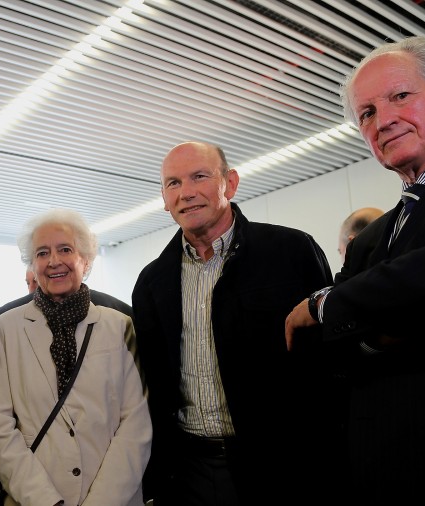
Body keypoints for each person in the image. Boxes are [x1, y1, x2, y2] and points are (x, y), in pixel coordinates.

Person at [285, 36, 425, 504]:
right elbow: (330, 351)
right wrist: (409, 309)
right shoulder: (368, 241)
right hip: (375, 468)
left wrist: (329, 303)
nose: (383, 121)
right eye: (366, 113)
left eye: (400, 96)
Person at [132, 141, 334, 505]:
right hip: (191, 472)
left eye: (199, 177)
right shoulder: (152, 282)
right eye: (173, 183)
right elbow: (156, 385)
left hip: (283, 466)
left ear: (231, 183)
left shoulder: (291, 252)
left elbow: (329, 360)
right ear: (163, 199)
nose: (187, 193)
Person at [0, 208, 151, 506]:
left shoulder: (120, 325)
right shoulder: (5, 329)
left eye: (65, 250)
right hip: (31, 498)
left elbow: (136, 423)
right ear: (32, 264)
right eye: (42, 253)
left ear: (85, 260)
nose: (54, 261)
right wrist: (46, 501)